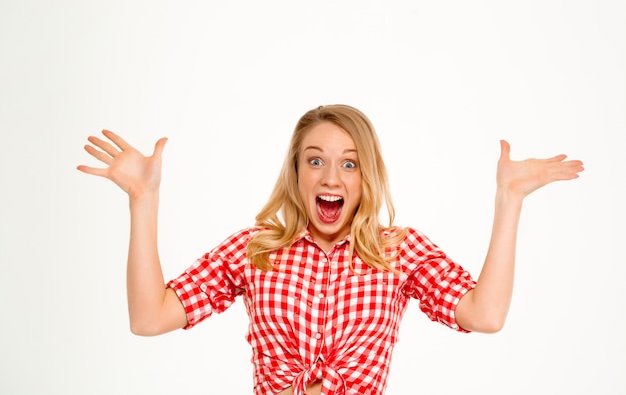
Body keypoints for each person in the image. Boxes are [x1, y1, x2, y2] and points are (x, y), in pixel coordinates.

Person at [77, 104, 584, 395]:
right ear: (295, 172)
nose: (330, 176)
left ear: (366, 177)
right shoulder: (257, 248)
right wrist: (144, 200)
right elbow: (149, 318)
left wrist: (509, 199)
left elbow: (485, 315)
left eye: (349, 163)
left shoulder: (397, 251)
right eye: (315, 160)